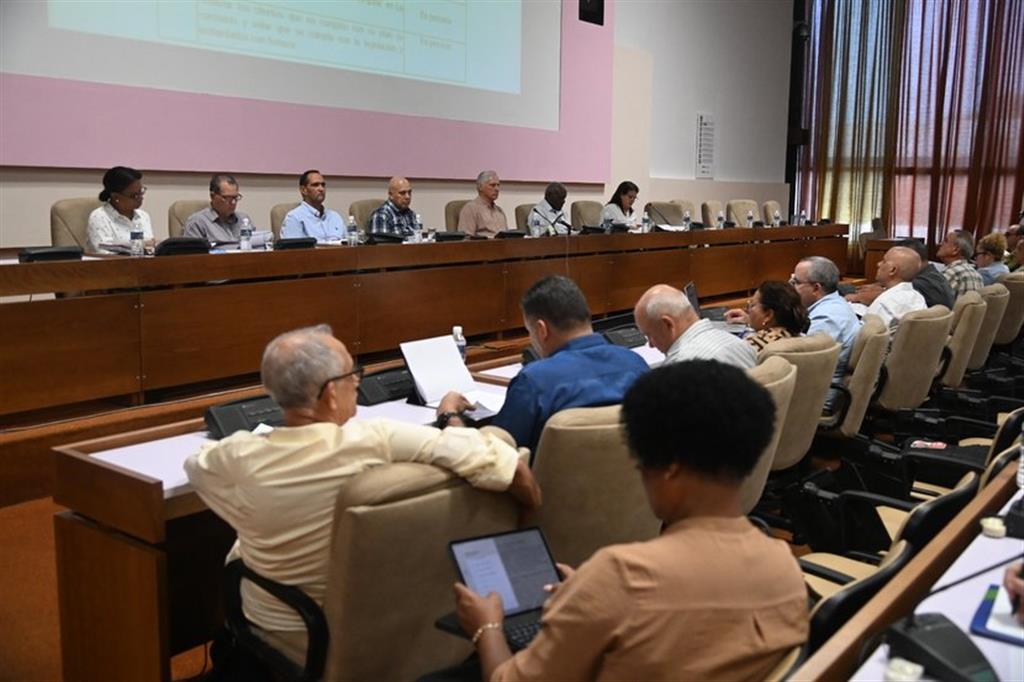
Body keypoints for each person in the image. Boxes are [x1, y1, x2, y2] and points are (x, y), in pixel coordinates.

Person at [451, 360, 808, 681]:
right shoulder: (785, 568)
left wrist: (487, 627)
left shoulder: (621, 576)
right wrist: (589, 599)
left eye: (641, 462)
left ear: (670, 468)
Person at [185, 325, 541, 636]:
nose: (357, 380)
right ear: (329, 393)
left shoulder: (239, 456)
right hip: (383, 623)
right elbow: (508, 466)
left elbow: (196, 466)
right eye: (351, 373)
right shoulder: (378, 440)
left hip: (289, 626)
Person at [441, 276, 648, 455]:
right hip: (630, 488)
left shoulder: (534, 382)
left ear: (541, 330)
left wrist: (449, 415)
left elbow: (491, 458)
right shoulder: (635, 364)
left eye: (529, 332)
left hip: (551, 490)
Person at [733, 256, 859, 412]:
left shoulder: (826, 319)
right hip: (807, 396)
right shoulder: (834, 306)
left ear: (816, 288)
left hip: (809, 403)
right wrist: (754, 319)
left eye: (795, 282)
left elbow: (802, 366)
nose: (791, 287)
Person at [635, 284, 756, 369]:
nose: (650, 345)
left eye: (649, 335)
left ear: (668, 324)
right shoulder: (740, 343)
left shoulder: (677, 369)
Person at [846, 239, 955, 310]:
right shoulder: (930, 275)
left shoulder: (925, 284)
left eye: (884, 261)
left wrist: (857, 297)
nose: (878, 264)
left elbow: (890, 297)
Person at [86, 166, 154, 254]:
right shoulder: (99, 217)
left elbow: (150, 249)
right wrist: (140, 246)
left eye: (141, 191)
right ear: (116, 197)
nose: (140, 197)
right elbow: (103, 251)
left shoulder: (143, 216)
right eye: (134, 195)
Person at [864, 246, 927, 331]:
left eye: (884, 261)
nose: (878, 264)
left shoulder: (883, 304)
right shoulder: (919, 298)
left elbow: (865, 336)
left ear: (892, 270)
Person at [183, 174, 258, 243]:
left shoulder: (244, 219)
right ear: (212, 196)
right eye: (227, 198)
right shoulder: (197, 223)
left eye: (235, 197)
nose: (233, 202)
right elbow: (193, 252)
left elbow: (257, 247)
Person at [740, 281, 810, 353]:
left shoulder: (751, 346)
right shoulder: (805, 340)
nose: (747, 310)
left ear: (768, 315)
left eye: (752, 305)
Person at [280, 170, 345, 242]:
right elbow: (294, 248)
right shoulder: (294, 218)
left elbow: (349, 244)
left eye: (323, 185)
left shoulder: (335, 217)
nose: (321, 189)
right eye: (315, 185)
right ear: (303, 190)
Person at [458, 171, 507, 238]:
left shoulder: (500, 211)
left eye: (498, 185)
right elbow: (466, 238)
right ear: (480, 187)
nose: (497, 189)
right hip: (483, 244)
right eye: (492, 185)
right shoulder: (470, 209)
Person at [936, 229, 984, 297]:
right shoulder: (978, 276)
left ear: (955, 250)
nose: (940, 244)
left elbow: (932, 302)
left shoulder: (951, 273)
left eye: (945, 241)